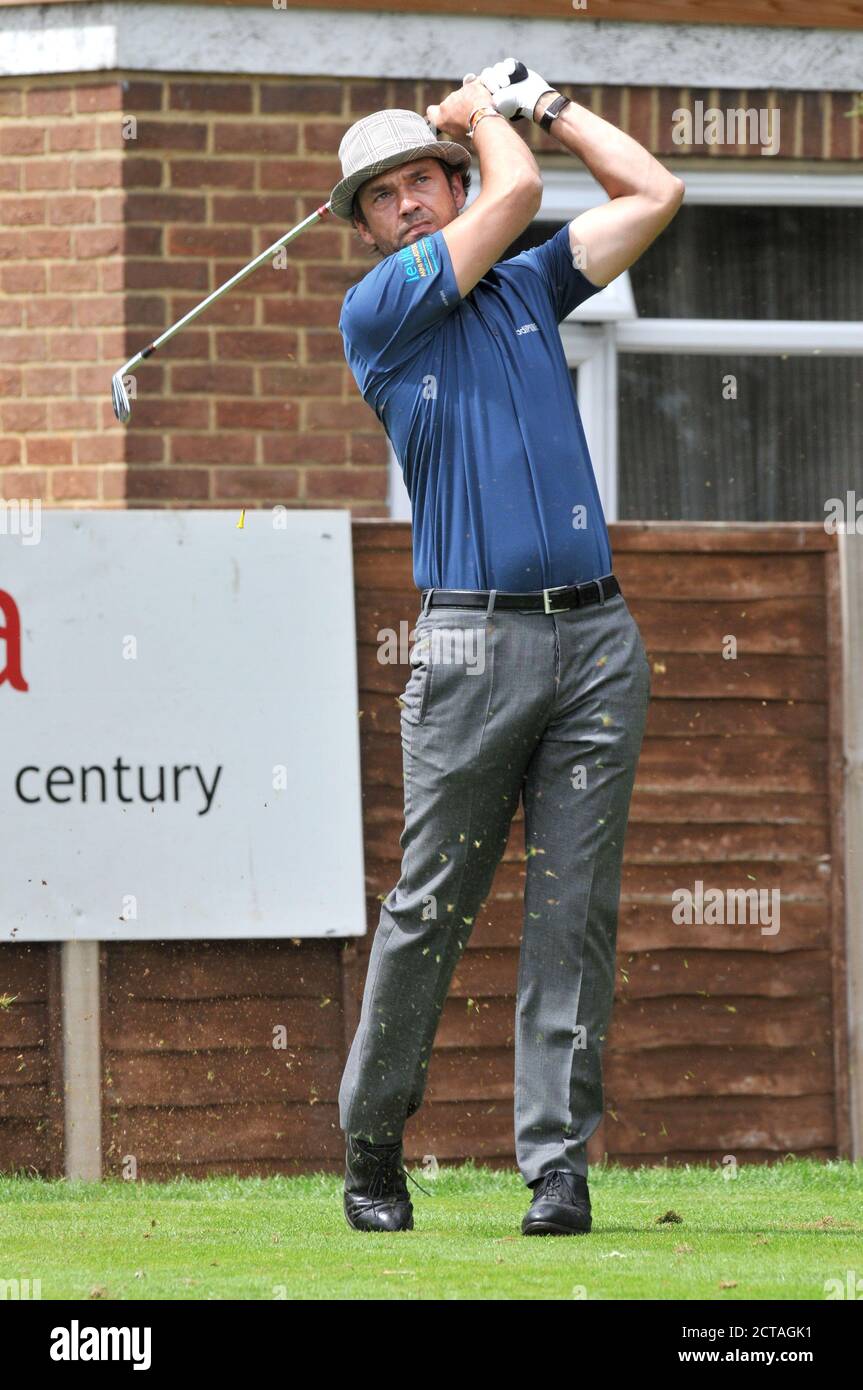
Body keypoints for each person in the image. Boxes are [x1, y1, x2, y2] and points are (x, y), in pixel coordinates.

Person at [331, 59, 684, 1234]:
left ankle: (555, 1165)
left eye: (423, 177)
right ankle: (375, 1146)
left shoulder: (529, 288)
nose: (412, 201)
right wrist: (483, 122)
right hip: (471, 646)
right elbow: (519, 192)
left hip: (594, 637)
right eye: (385, 196)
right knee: (430, 903)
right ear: (370, 229)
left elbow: (652, 192)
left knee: (571, 911)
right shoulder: (380, 312)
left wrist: (542, 103)